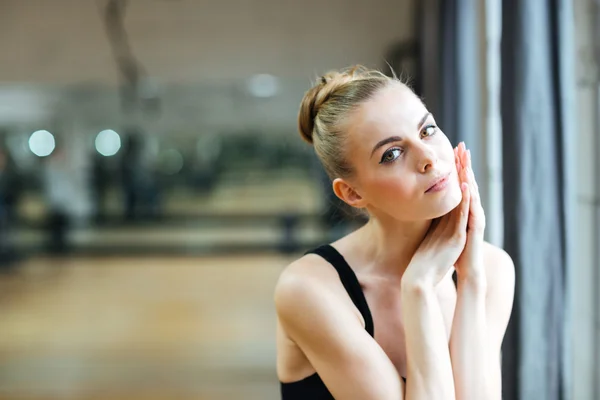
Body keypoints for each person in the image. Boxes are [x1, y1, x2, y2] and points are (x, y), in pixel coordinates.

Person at [274, 65, 515, 399]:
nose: (429, 157)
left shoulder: (490, 268)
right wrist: (418, 287)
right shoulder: (310, 289)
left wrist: (471, 280)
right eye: (392, 154)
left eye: (427, 130)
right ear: (353, 193)